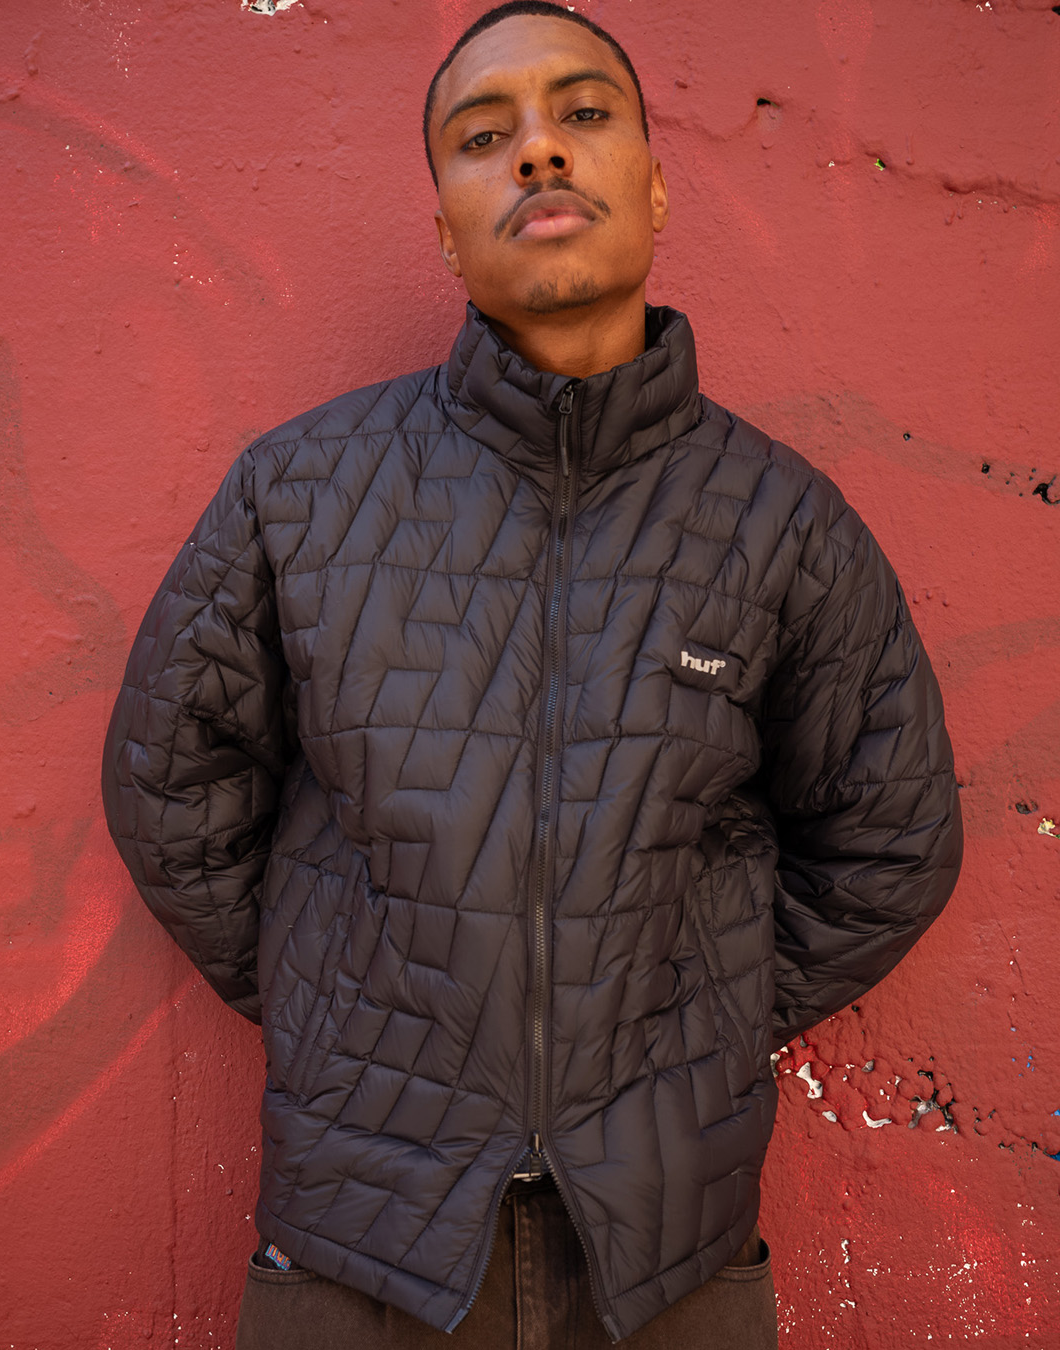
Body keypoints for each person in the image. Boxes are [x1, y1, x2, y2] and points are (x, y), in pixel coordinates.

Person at [100, 3, 963, 1346]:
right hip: (358, 1249)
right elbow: (171, 783)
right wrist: (343, 1009)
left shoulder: (780, 520)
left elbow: (890, 836)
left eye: (584, 114)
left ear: (656, 188)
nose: (540, 152)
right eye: (482, 135)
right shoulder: (298, 493)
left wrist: (710, 1009)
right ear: (446, 231)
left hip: (669, 1261)